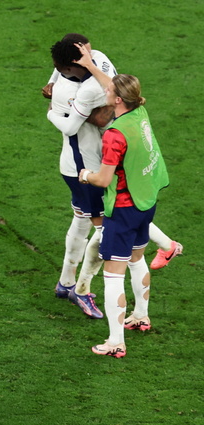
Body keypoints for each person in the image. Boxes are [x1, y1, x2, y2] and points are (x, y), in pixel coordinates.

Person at [75, 60, 169, 358]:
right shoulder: (139, 112)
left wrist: (85, 175)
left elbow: (103, 179)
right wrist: (90, 64)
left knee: (113, 275)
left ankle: (115, 342)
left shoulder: (115, 134)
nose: (105, 88)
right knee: (137, 258)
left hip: (124, 209)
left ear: (117, 99)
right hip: (146, 202)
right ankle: (141, 316)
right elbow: (111, 83)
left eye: (110, 89)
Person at [46, 38, 115, 319]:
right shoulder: (87, 81)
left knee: (81, 219)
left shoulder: (94, 63)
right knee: (107, 231)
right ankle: (81, 290)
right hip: (85, 170)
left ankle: (65, 283)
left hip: (80, 164)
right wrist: (52, 113)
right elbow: (99, 118)